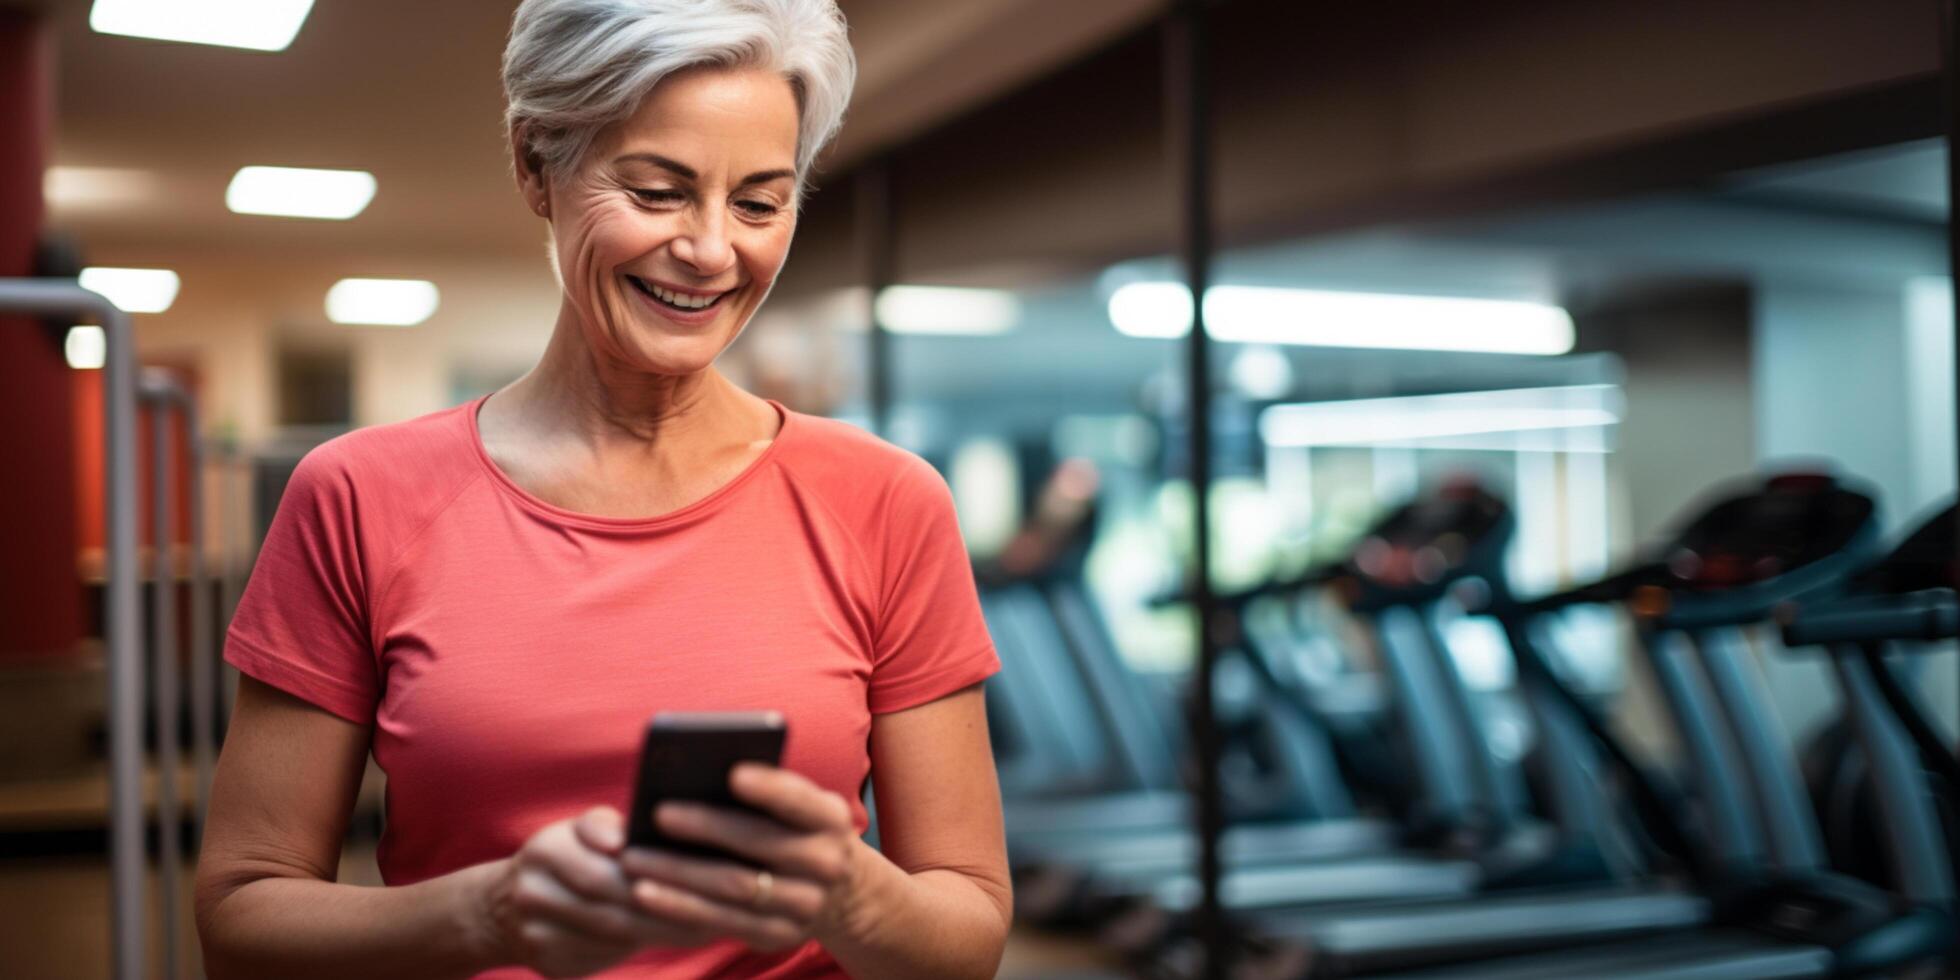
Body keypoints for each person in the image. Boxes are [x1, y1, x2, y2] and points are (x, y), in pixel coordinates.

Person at [193, 1, 1011, 976]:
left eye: (758, 202)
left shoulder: (886, 501)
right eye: (660, 191)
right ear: (536, 163)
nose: (712, 251)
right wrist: (485, 913)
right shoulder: (359, 496)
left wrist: (847, 892)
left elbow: (969, 927)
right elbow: (242, 919)